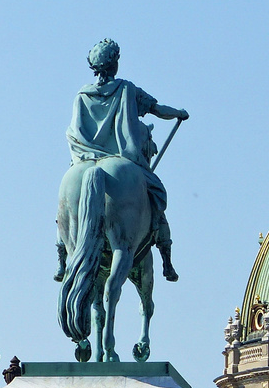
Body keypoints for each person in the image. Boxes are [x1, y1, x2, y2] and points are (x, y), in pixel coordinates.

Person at [59, 38, 188, 282]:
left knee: (68, 206)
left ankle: (61, 257)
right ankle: (167, 261)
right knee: (157, 196)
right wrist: (179, 114)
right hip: (125, 159)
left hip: (84, 158)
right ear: (114, 64)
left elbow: (74, 132)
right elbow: (158, 110)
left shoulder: (82, 96)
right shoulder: (126, 89)